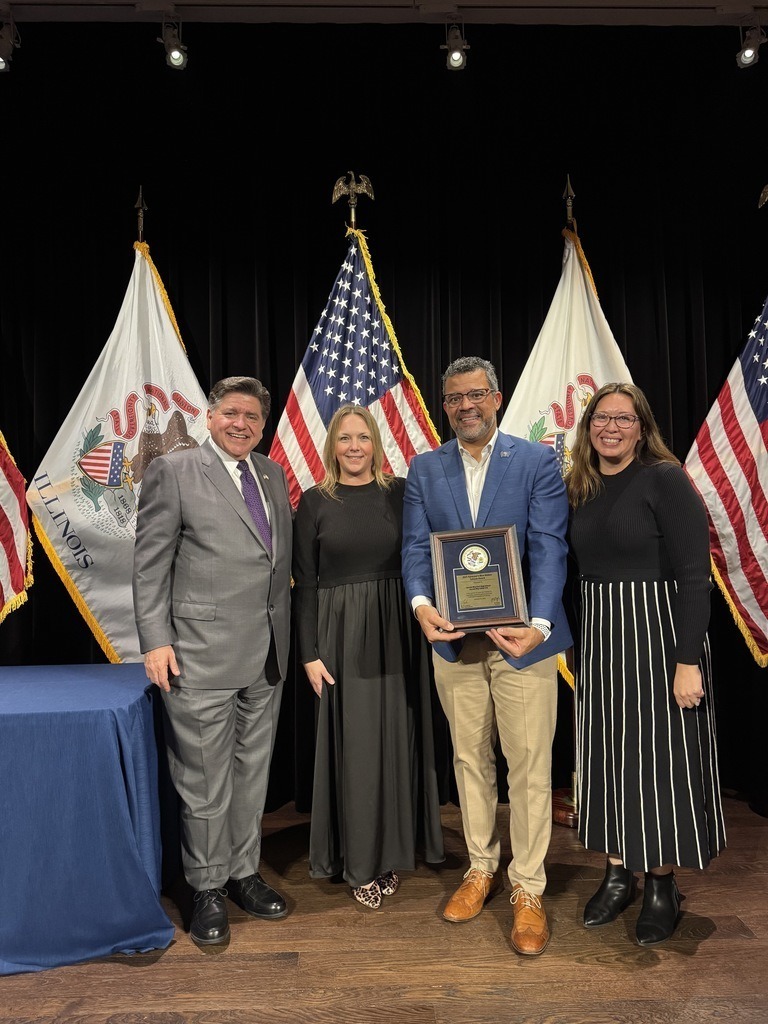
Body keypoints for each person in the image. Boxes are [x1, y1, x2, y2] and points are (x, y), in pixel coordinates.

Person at [401, 356, 572, 956]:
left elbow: (550, 547)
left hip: (525, 644)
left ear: (496, 398)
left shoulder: (536, 460)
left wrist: (541, 623)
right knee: (470, 759)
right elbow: (415, 550)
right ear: (444, 405)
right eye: (454, 399)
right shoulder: (425, 467)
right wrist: (422, 606)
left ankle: (528, 887)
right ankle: (481, 867)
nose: (465, 406)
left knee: (529, 767)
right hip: (454, 642)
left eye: (476, 395)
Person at [132, 375, 293, 947]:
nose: (241, 424)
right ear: (210, 415)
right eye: (231, 413)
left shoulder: (271, 474)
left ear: (262, 424)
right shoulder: (174, 472)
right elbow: (150, 563)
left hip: (267, 653)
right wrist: (155, 639)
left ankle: (242, 873)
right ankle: (205, 887)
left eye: (251, 416)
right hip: (198, 656)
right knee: (203, 781)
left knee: (252, 775)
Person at [566, 381, 726, 946]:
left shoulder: (665, 478)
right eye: (601, 418)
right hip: (603, 642)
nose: (611, 427)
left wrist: (687, 661)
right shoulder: (578, 488)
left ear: (643, 427)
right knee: (607, 758)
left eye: (623, 419)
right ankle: (616, 875)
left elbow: (693, 575)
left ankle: (661, 884)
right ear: (588, 427)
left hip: (660, 642)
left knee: (659, 765)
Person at [292, 405, 445, 909]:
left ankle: (391, 853)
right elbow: (306, 585)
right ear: (331, 445)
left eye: (363, 437)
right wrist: (310, 653)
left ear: (376, 443)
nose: (354, 447)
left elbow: (426, 555)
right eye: (344, 439)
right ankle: (358, 861)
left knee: (397, 743)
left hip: (398, 629)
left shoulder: (401, 493)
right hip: (341, 636)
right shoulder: (314, 502)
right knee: (357, 751)